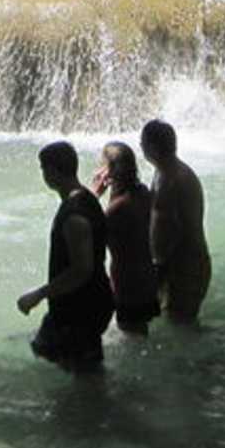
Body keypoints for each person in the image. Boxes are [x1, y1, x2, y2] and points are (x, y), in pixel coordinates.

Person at [17, 140, 114, 370]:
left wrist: (38, 295)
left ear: (52, 172)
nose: (43, 174)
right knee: (53, 353)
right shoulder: (86, 198)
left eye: (43, 168)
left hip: (81, 306)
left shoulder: (74, 216)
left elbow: (81, 270)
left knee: (84, 372)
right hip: (88, 301)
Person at [141, 118, 211, 324]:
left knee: (181, 326)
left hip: (184, 267)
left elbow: (170, 231)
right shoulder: (167, 171)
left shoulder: (170, 180)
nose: (141, 147)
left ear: (153, 148)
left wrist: (159, 270)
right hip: (187, 264)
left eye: (143, 142)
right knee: (180, 324)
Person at [94, 140, 159, 335]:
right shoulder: (143, 192)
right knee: (140, 334)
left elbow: (90, 236)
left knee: (133, 338)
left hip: (128, 285)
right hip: (148, 278)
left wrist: (94, 194)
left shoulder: (116, 209)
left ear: (108, 172)